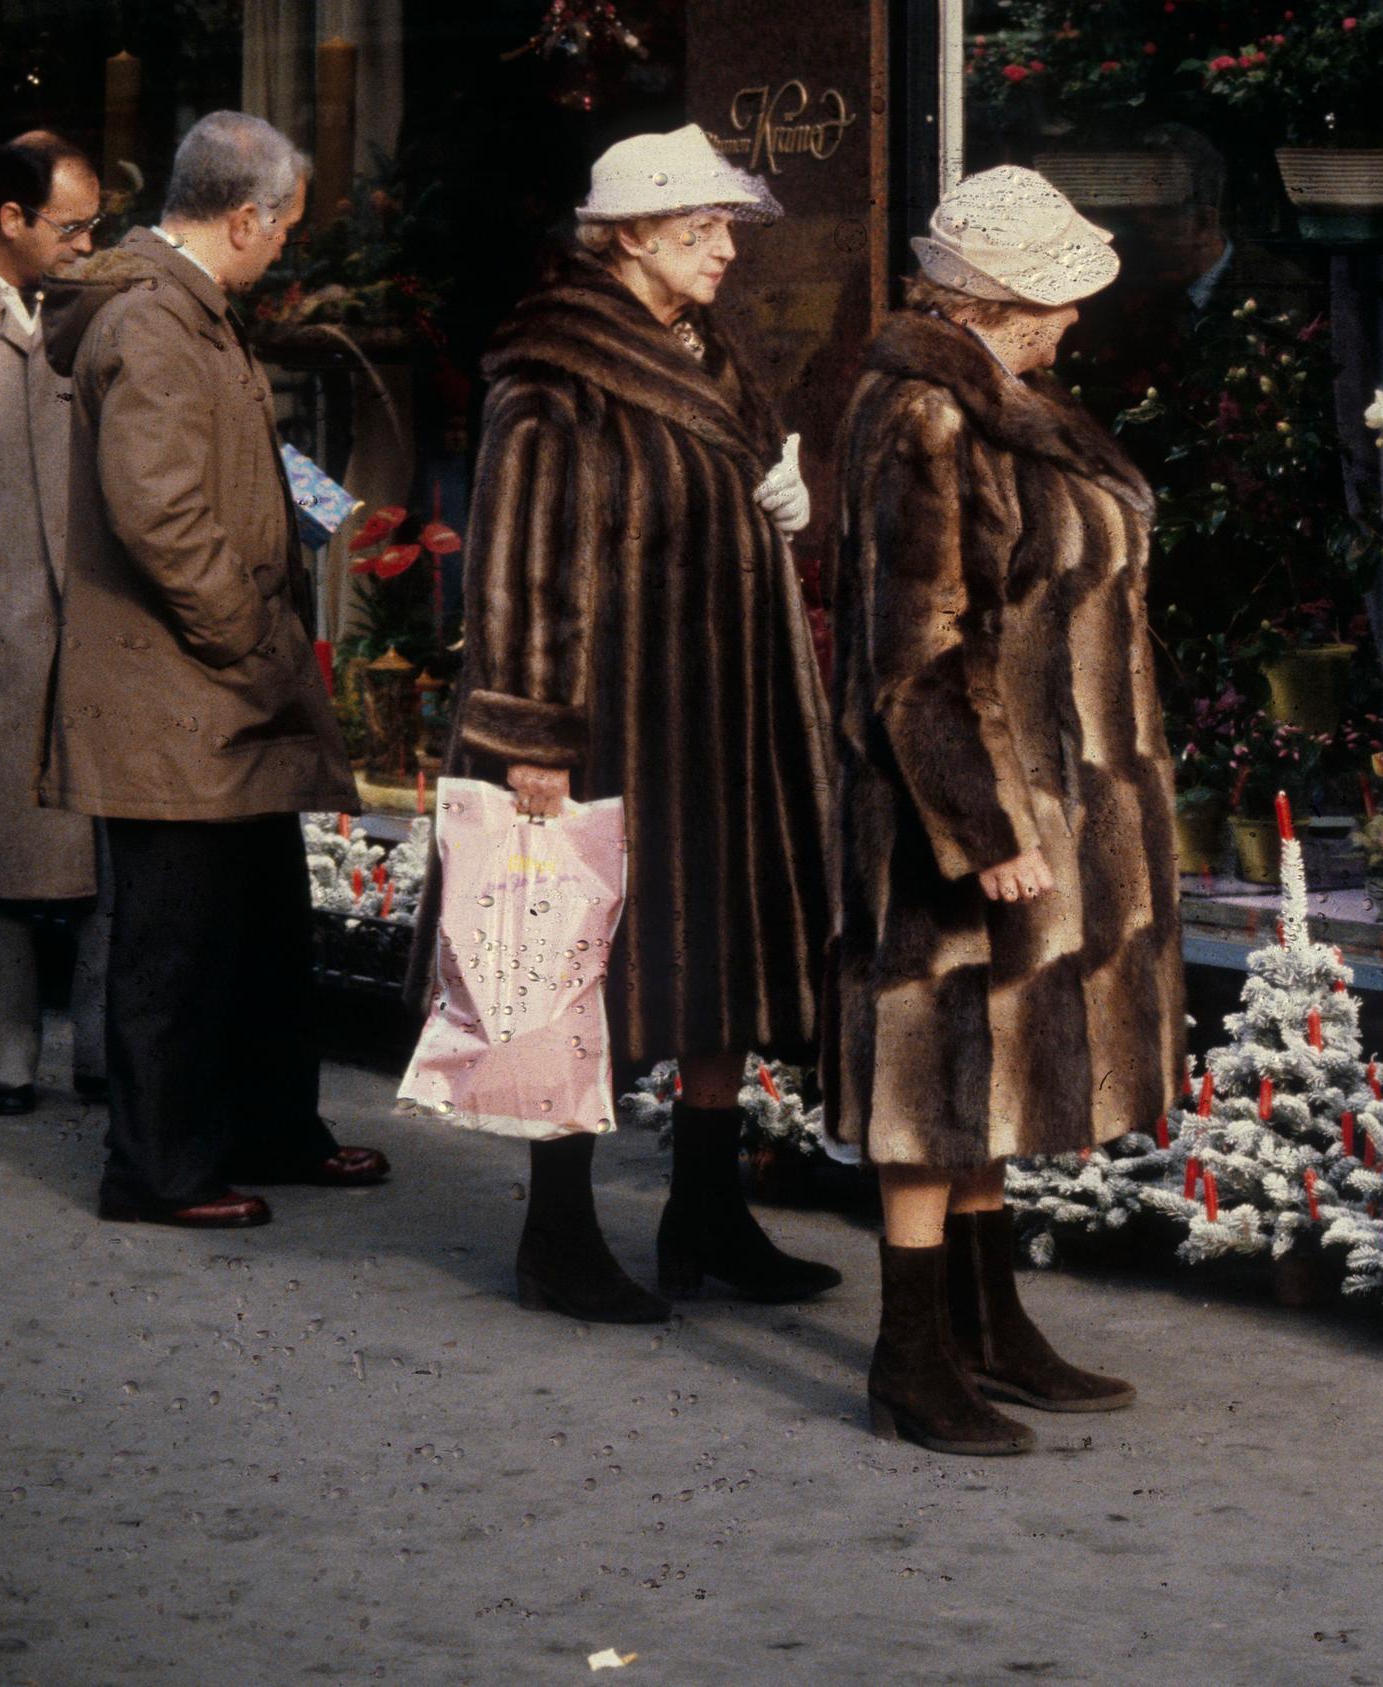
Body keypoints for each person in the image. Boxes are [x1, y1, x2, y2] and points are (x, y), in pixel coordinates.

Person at [438, 124, 839, 1322]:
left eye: (726, 226)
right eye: (700, 228)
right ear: (626, 240)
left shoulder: (697, 343)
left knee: (718, 961)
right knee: (575, 966)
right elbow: (518, 563)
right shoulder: (554, 369)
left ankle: (706, 1213)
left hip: (719, 714)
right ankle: (556, 1234)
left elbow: (699, 484)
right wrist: (530, 737)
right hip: (613, 718)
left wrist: (772, 493)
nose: (726, 248)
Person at [834, 166, 1185, 1455]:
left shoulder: (1005, 405)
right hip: (971, 803)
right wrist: (982, 825)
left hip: (1043, 789)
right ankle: (908, 1356)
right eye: (1055, 296)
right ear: (995, 295)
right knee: (930, 1075)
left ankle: (987, 1325)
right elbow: (918, 645)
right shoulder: (930, 415)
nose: (1072, 320)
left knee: (985, 1061)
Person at [39, 112, 387, 1229]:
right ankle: (157, 1169)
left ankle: (266, 1130)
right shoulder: (153, 320)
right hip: (185, 691)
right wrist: (247, 634)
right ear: (243, 217)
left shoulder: (191, 314)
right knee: (175, 949)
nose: (286, 243)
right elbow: (160, 513)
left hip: (220, 695)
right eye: (282, 223)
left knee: (258, 935)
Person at [0, 131, 107, 1116]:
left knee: (108, 849)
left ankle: (102, 1050)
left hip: (96, 626)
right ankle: (7, 1050)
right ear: (11, 219)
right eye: (71, 226)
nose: (87, 245)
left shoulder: (96, 309)